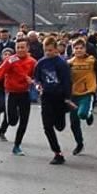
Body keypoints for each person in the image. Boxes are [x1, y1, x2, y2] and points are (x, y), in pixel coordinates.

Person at [0, 38, 37, 156]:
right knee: (12, 121)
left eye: (23, 47)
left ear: (28, 48)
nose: (20, 50)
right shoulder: (10, 60)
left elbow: (37, 77)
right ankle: (4, 114)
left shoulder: (32, 62)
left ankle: (17, 145)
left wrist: (32, 81)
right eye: (18, 47)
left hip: (24, 93)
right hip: (11, 93)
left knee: (24, 121)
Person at [33, 36, 73, 165]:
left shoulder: (61, 63)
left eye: (50, 50)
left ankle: (60, 119)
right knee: (47, 126)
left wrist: (67, 98)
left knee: (59, 126)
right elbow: (37, 79)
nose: (48, 53)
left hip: (59, 97)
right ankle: (57, 153)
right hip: (46, 97)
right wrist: (38, 85)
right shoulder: (41, 63)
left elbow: (67, 82)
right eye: (46, 50)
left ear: (56, 49)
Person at [68, 37, 97, 155]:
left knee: (82, 114)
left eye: (81, 48)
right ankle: (79, 143)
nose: (78, 50)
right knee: (73, 123)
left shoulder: (91, 60)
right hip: (74, 94)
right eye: (76, 48)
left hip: (87, 92)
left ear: (85, 49)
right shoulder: (70, 63)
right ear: (73, 50)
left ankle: (88, 115)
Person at [0, 48, 14, 141]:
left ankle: (2, 131)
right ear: (1, 56)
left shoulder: (16, 65)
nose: (7, 56)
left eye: (9, 54)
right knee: (3, 106)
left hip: (11, 91)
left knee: (9, 113)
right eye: (5, 54)